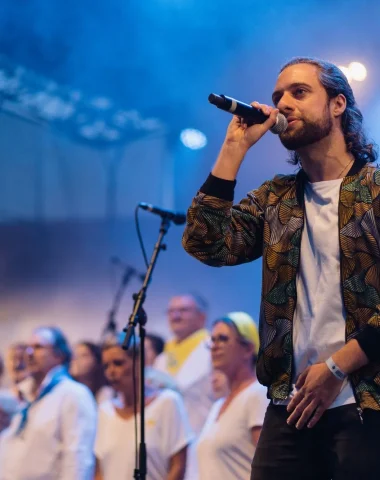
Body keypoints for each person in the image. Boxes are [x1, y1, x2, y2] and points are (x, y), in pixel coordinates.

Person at [182, 56, 380, 480]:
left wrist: (337, 366)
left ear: (338, 104)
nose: (283, 103)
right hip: (291, 406)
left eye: (299, 92)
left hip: (368, 400)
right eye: (277, 96)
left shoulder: (376, 192)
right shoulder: (276, 199)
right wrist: (234, 148)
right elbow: (205, 241)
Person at [0, 326, 97, 480]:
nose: (29, 354)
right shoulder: (25, 397)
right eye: (29, 348)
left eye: (38, 347)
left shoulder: (73, 394)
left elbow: (78, 460)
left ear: (59, 355)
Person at [95, 333, 193, 480]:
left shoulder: (167, 402)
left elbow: (178, 465)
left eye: (118, 363)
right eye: (106, 366)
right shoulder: (105, 411)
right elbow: (99, 471)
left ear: (139, 362)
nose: (111, 371)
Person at [197, 312, 268, 479]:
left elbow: (268, 466)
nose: (215, 346)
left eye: (222, 339)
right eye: (212, 340)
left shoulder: (257, 394)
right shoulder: (217, 406)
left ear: (248, 349)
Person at [154, 294, 213, 436]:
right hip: (165, 436)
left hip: (200, 432)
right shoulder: (162, 357)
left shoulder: (214, 350)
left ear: (201, 317)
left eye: (183, 310)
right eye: (171, 311)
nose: (175, 316)